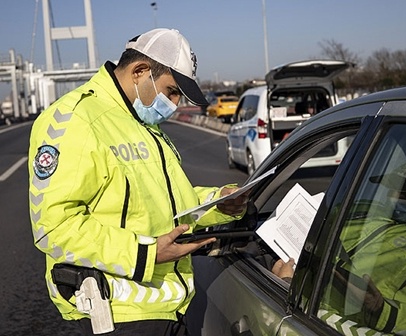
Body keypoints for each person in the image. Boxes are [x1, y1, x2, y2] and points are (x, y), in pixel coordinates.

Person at [28, 28, 247, 335]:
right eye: (171, 91)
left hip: (169, 309)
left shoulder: (143, 124)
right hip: (117, 316)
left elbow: (172, 207)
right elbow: (52, 227)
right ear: (140, 71)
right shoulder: (74, 119)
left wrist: (221, 202)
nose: (173, 104)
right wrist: (145, 253)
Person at [274, 160, 406, 335]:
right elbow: (315, 225)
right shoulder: (361, 209)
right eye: (392, 190)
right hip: (297, 303)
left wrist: (384, 311)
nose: (394, 198)